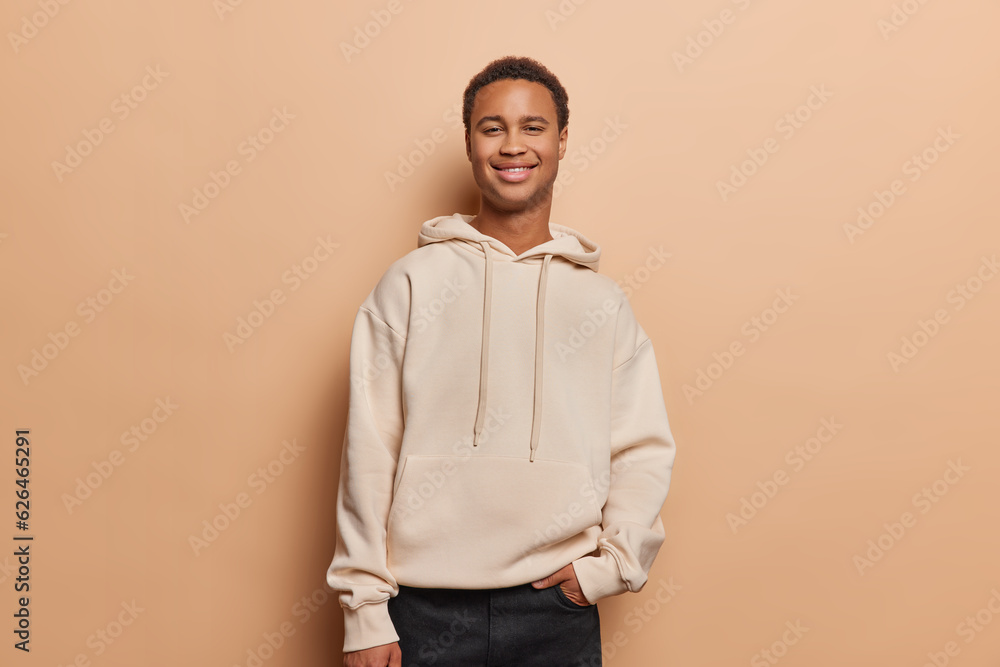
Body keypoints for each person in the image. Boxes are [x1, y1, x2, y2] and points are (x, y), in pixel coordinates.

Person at [326, 55, 677, 667]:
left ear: (562, 140)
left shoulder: (602, 302)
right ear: (469, 142)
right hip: (420, 610)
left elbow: (642, 448)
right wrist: (364, 611)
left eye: (533, 126)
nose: (513, 144)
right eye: (492, 127)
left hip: (556, 611)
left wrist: (615, 564)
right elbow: (369, 446)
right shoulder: (408, 284)